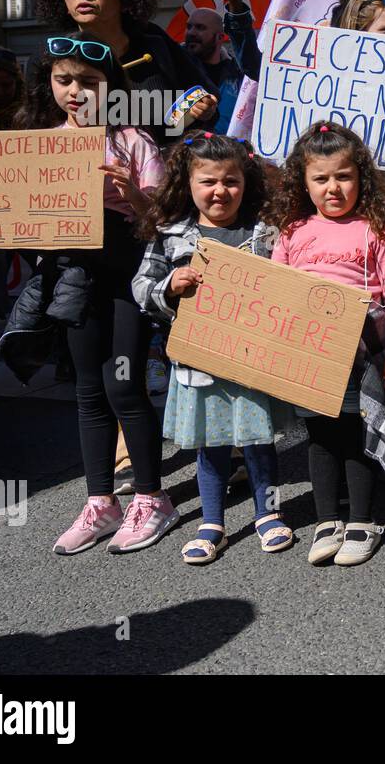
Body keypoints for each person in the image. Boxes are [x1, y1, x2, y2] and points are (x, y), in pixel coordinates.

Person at [0, 33, 177, 554]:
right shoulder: (33, 145)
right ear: (49, 84)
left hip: (125, 278)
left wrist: (130, 191)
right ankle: (101, 500)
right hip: (74, 281)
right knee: (87, 390)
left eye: (89, 81)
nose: (75, 91)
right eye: (64, 80)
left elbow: (163, 222)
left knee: (124, 388)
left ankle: (152, 498)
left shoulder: (132, 141)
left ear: (112, 87)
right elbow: (12, 222)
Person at [132, 131, 294, 564]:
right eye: (208, 182)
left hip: (253, 360)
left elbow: (290, 286)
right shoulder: (171, 235)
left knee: (260, 441)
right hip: (199, 361)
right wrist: (170, 286)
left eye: (231, 181)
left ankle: (268, 513)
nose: (220, 191)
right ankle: (212, 522)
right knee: (211, 443)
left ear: (247, 183)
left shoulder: (266, 232)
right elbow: (140, 286)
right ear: (187, 183)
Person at [267, 123, 385, 566]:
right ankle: (327, 519)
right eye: (321, 179)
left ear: (361, 177)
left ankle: (364, 521)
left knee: (358, 433)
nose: (334, 188)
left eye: (343, 176)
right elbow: (276, 290)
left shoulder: (377, 229)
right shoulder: (291, 231)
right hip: (311, 357)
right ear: (303, 183)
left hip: (364, 355)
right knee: (321, 437)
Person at [32, 0, 217, 144]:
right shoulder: (53, 55)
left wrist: (201, 109)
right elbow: (38, 128)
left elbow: (197, 101)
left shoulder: (155, 44)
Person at [182, 8, 243, 135]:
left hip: (228, 150)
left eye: (200, 28)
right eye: (189, 27)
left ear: (220, 37)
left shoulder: (237, 74)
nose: (191, 33)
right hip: (187, 149)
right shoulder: (172, 65)